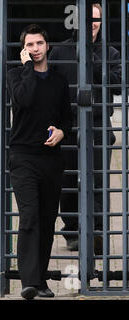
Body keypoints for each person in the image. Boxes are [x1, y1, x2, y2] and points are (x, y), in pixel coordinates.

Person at [49, 3, 121, 253]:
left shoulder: (109, 53)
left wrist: (93, 60)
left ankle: (98, 234)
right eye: (88, 18)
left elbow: (119, 84)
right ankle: (72, 232)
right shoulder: (59, 51)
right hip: (66, 126)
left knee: (98, 181)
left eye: (97, 19)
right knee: (67, 179)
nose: (93, 22)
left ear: (101, 22)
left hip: (99, 126)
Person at [7, 24, 72, 299]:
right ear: (24, 50)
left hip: (50, 160)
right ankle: (28, 283)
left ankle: (41, 282)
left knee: (47, 221)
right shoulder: (15, 76)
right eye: (29, 45)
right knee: (30, 216)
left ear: (48, 47)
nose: (34, 49)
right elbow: (24, 99)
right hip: (23, 157)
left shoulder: (59, 82)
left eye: (38, 44)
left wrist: (61, 131)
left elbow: (66, 117)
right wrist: (26, 69)